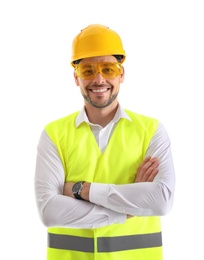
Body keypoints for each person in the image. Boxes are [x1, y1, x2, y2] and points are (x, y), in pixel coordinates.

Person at [35, 24, 175, 260]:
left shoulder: (152, 131)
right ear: (76, 77)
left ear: (121, 74)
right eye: (88, 70)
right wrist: (128, 210)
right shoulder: (53, 134)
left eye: (108, 69)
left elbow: (161, 201)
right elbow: (49, 212)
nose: (99, 78)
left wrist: (80, 190)